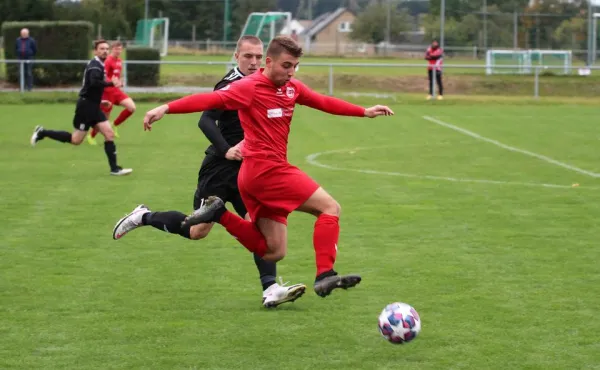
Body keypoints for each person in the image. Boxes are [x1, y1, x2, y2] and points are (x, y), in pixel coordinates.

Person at [142, 36, 394, 298]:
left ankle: (219, 214)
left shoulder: (291, 88)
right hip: (268, 171)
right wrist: (166, 108)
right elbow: (208, 100)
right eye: (286, 65)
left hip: (252, 177)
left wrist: (363, 111)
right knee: (330, 208)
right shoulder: (249, 87)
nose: (291, 72)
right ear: (270, 62)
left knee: (273, 251)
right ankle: (325, 275)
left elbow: (323, 102)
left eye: (295, 66)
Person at [112, 35, 306, 308]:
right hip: (219, 169)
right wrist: (226, 149)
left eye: (257, 57)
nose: (253, 62)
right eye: (247, 56)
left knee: (260, 225)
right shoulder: (230, 84)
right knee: (197, 231)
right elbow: (205, 120)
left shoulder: (267, 82)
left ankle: (270, 288)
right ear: (236, 56)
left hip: (250, 171)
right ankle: (143, 216)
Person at [30, 40, 132, 176]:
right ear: (95, 51)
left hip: (93, 106)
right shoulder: (95, 66)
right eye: (102, 49)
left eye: (107, 49)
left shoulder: (98, 64)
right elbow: (94, 82)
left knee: (109, 134)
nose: (105, 51)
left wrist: (101, 101)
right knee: (76, 140)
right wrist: (110, 83)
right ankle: (43, 132)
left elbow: (91, 87)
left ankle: (115, 169)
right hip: (86, 107)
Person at [87, 41, 136, 145]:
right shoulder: (108, 61)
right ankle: (91, 136)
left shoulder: (119, 61)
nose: (118, 51)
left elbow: (117, 76)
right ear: (112, 49)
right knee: (104, 119)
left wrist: (120, 81)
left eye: (120, 49)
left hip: (116, 91)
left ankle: (115, 124)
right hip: (107, 92)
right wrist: (112, 82)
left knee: (131, 108)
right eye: (116, 49)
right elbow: (104, 76)